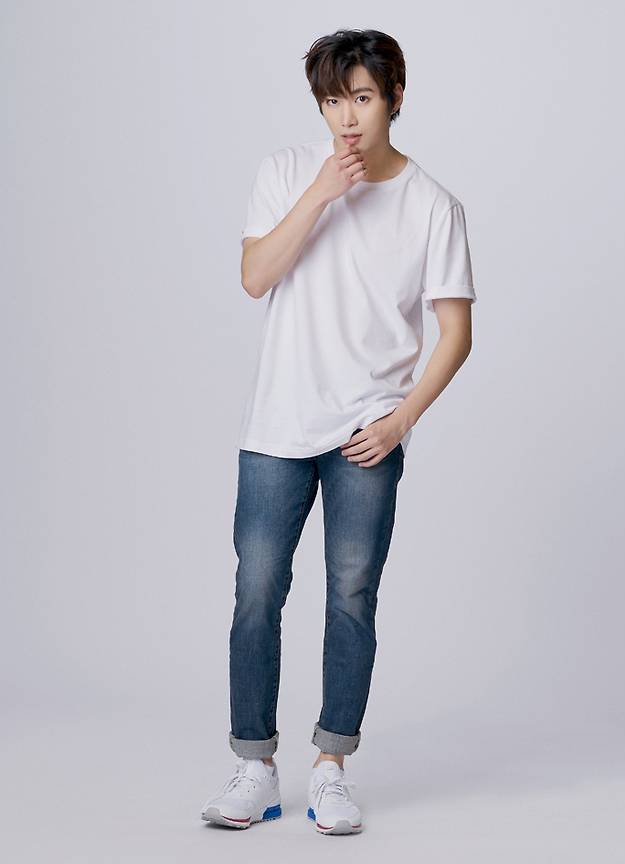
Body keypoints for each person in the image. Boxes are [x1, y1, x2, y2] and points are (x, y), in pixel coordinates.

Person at [201, 28, 476, 835]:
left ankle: (331, 767)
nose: (346, 118)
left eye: (361, 98)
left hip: (367, 434)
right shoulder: (287, 172)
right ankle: (255, 766)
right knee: (257, 589)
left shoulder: (433, 205)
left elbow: (456, 333)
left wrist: (401, 421)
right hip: (277, 424)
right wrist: (321, 193)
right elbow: (255, 277)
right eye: (332, 101)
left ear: (395, 97)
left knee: (352, 596)